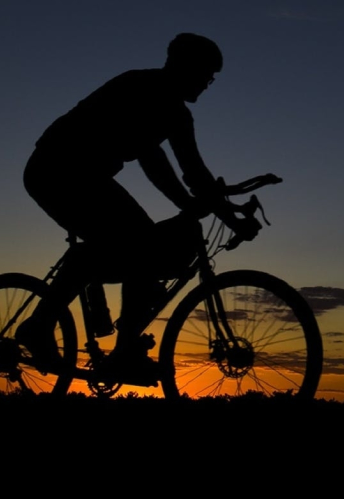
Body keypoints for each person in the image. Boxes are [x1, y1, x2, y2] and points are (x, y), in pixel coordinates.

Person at [17, 33, 226, 383]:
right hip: (56, 168)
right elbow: (153, 159)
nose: (208, 83)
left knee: (135, 247)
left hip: (88, 176)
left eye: (212, 78)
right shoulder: (141, 86)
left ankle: (116, 339)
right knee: (140, 242)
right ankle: (46, 329)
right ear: (183, 66)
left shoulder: (179, 115)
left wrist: (227, 210)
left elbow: (194, 172)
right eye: (206, 74)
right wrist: (191, 204)